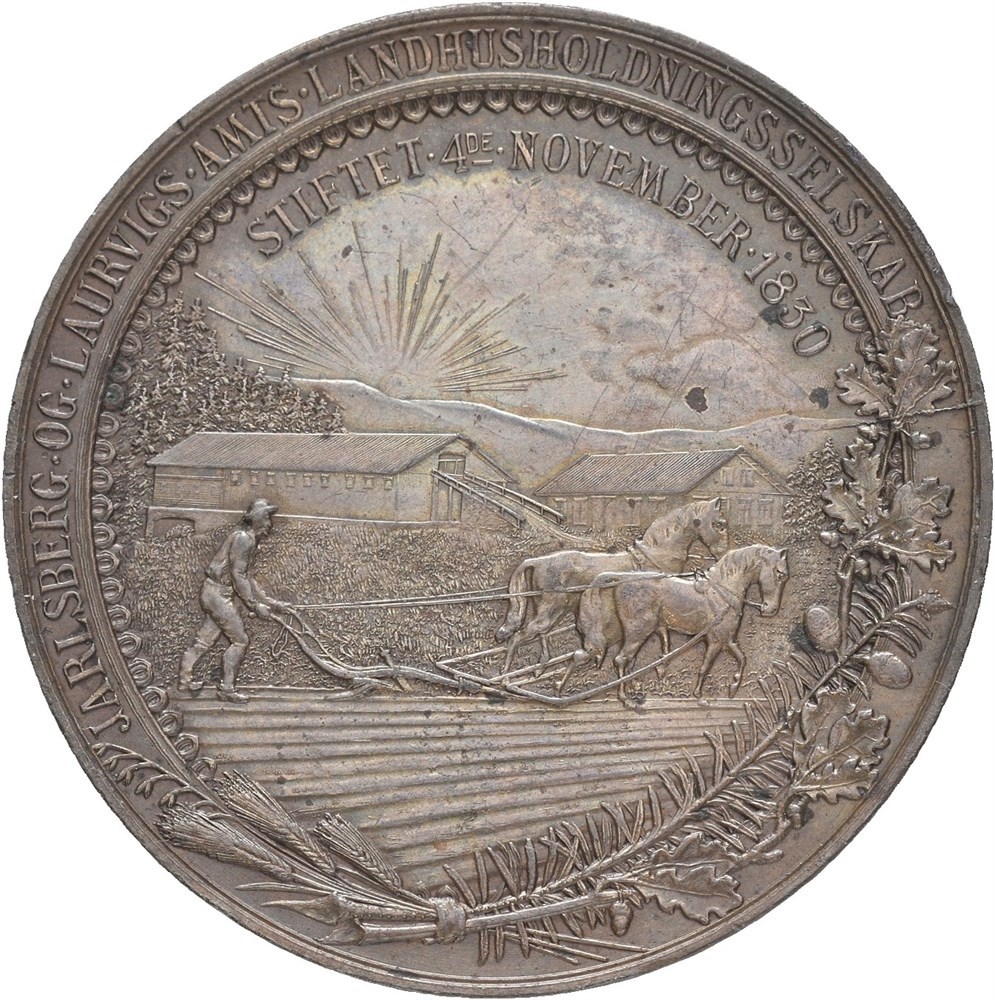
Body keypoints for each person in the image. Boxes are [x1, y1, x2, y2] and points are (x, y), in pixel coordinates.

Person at [177, 498, 289, 702]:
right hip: (218, 595)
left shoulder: (245, 538)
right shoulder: (244, 539)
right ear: (257, 520)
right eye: (266, 519)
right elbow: (238, 575)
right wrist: (253, 605)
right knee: (240, 641)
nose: (269, 525)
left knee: (204, 640)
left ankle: (185, 680)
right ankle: (226, 689)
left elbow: (247, 579)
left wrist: (273, 604)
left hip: (214, 592)